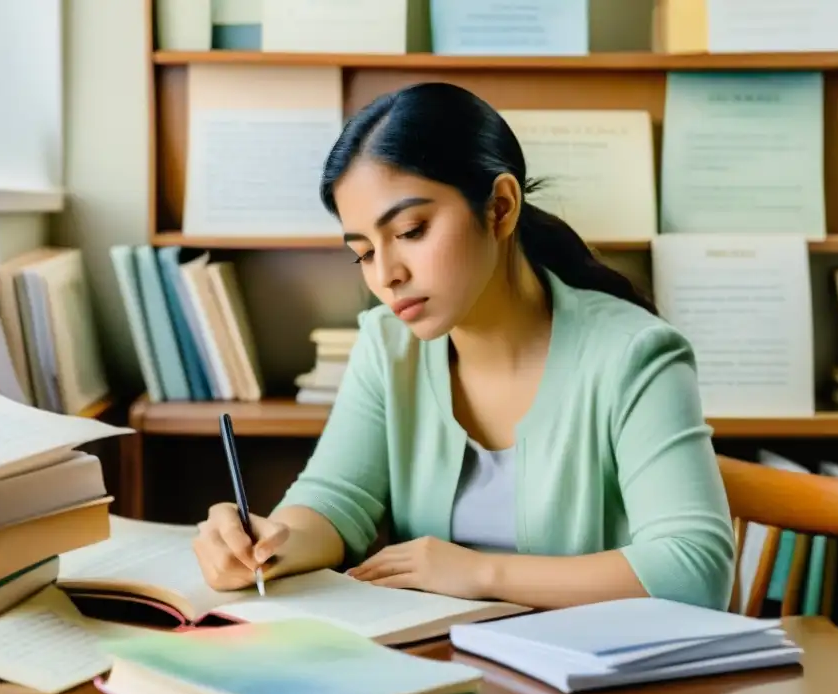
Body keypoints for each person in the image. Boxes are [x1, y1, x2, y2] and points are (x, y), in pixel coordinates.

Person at [193, 82, 736, 611]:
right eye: (363, 252)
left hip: (601, 691)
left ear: (500, 207)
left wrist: (477, 571)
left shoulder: (635, 355)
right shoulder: (388, 346)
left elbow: (694, 570)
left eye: (409, 231)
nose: (387, 274)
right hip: (443, 678)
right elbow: (336, 502)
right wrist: (266, 543)